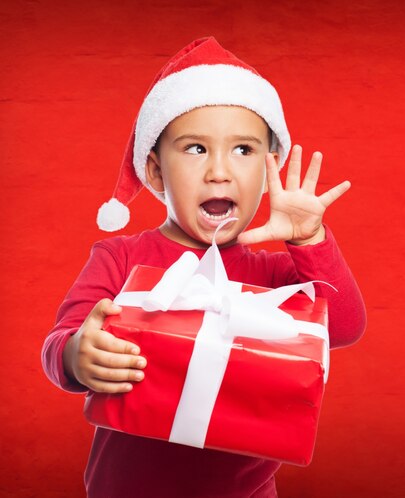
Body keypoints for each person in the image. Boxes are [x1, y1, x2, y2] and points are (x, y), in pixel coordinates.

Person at [41, 37, 366, 498]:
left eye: (244, 150)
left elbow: (346, 326)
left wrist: (309, 240)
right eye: (195, 149)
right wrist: (76, 355)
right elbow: (59, 343)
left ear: (269, 170)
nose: (219, 171)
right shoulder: (120, 258)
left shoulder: (275, 276)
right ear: (155, 172)